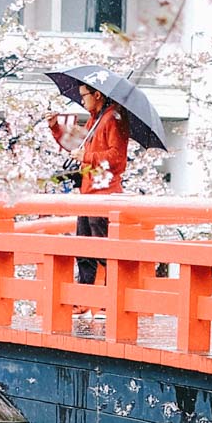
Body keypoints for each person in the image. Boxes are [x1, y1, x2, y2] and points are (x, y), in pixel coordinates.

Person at [49, 83, 129, 285]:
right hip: (88, 192)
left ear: (98, 94)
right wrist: (55, 127)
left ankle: (108, 301)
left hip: (104, 193)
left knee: (102, 249)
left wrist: (87, 156)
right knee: (83, 250)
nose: (82, 100)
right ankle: (83, 299)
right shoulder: (96, 119)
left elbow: (117, 157)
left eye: (84, 95)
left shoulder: (114, 118)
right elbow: (76, 145)